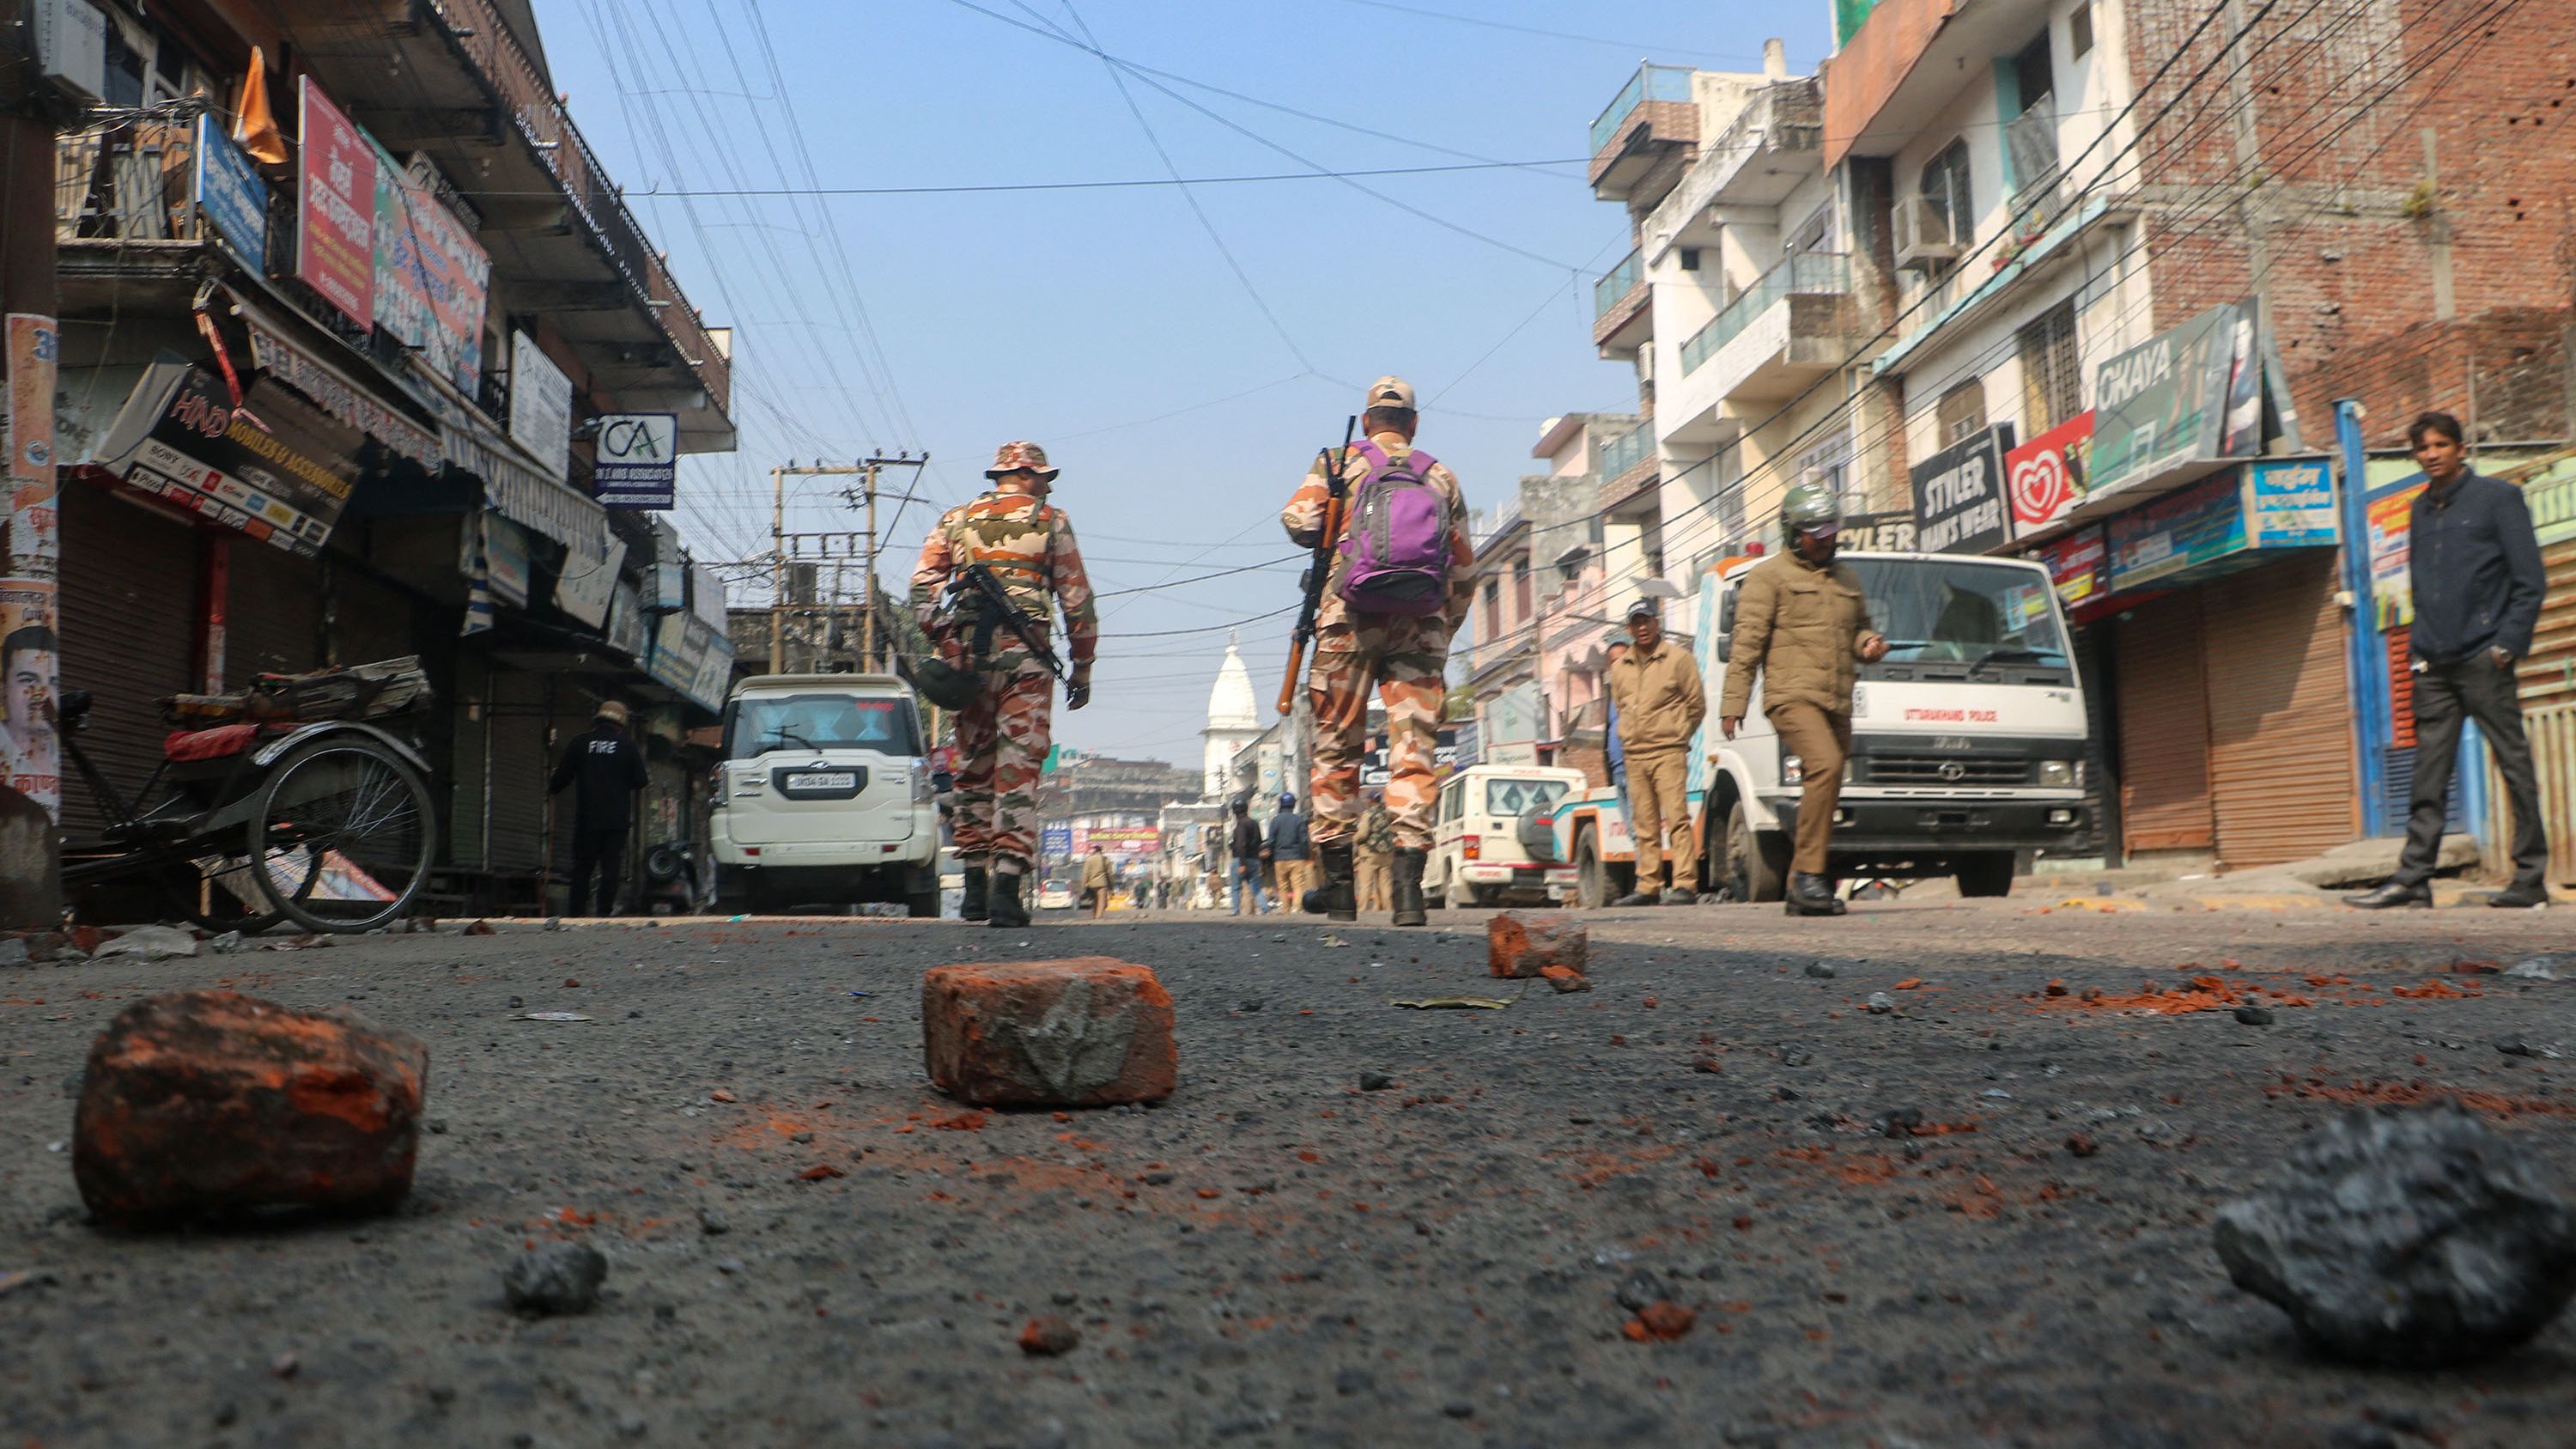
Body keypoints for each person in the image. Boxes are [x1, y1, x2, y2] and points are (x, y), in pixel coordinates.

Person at [1281, 377, 1473, 925]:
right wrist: (1442, 631)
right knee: (1413, 750)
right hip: (1420, 622)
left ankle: (1340, 892)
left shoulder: (1339, 463)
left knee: (1337, 745)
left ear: (1367, 421)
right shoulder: (1440, 473)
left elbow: (1297, 521)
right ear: (1413, 425)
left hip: (1348, 618)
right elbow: (1463, 568)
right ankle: (1409, 894)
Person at [2348, 411, 2554, 910]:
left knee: (2514, 766)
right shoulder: (2420, 509)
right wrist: (2418, 652)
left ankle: (2529, 879)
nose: (2431, 454)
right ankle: (2414, 879)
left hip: (2486, 658)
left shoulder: (2498, 500)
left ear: (2462, 448)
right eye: (2423, 448)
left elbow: (2530, 581)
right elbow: (2422, 586)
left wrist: (2506, 647)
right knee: (2428, 774)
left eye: (2441, 445)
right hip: (2434, 664)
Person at [911, 441, 1097, 928]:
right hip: (1025, 667)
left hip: (968, 663)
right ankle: (1006, 890)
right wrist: (1083, 669)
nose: (1048, 486)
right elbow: (1077, 602)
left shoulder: (955, 519)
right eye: (1044, 477)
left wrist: (945, 636)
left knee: (973, 767)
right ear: (1026, 474)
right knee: (1016, 771)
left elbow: (922, 587)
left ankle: (974, 888)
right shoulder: (1051, 520)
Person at [1719, 483, 1890, 917]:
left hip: (1836, 697)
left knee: (1829, 780)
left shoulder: (1847, 578)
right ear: (1794, 533)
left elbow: (1860, 629)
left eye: (1831, 530)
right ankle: (1812, 876)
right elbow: (1746, 645)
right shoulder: (1768, 577)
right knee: (1826, 765)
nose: (1827, 538)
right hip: (1791, 695)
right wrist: (1733, 705)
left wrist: (1868, 643)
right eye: (1816, 532)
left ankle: (1801, 885)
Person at [1606, 598, 1706, 906]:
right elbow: (1621, 708)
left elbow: (1696, 705)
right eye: (1636, 622)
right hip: (1634, 755)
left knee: (1676, 818)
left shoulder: (1678, 659)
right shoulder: (1619, 668)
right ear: (1629, 628)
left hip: (1668, 751)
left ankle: (1685, 884)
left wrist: (1678, 735)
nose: (1642, 627)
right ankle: (1648, 885)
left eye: (1647, 620)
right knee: (1644, 824)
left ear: (1657, 622)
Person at [549, 698, 648, 916]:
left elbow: (560, 779)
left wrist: (553, 787)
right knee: (610, 869)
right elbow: (641, 780)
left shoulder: (580, 743)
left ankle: (576, 914)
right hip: (616, 820)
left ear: (597, 721)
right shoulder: (627, 746)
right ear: (621, 725)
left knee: (582, 868)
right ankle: (604, 913)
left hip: (587, 819)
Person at [1267, 792, 1313, 908]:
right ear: (1293, 805)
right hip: (1297, 857)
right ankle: (1296, 908)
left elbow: (1271, 841)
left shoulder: (1275, 820)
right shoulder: (1298, 820)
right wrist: (1306, 855)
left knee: (1282, 886)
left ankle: (1285, 909)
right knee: (1298, 885)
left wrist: (1272, 856)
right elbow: (1303, 840)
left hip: (1280, 858)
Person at [1353, 789, 1396, 914]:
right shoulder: (1388, 813)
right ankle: (1388, 909)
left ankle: (1362, 910)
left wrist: (1355, 839)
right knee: (1386, 884)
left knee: (1366, 884)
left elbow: (1363, 834)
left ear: (1370, 800)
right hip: (1387, 854)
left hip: (1369, 854)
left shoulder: (1368, 814)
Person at [1227, 797, 1267, 915]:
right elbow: (1259, 841)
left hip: (1240, 860)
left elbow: (1241, 845)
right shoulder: (1254, 823)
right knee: (1256, 887)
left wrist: (1242, 864)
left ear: (1234, 811)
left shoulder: (1241, 825)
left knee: (1236, 887)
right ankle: (1265, 907)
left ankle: (1236, 910)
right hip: (1254, 859)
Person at [1081, 844, 1114, 919]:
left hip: (1091, 883)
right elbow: (1110, 874)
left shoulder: (1089, 860)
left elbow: (1085, 873)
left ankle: (1095, 915)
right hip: (1103, 883)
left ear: (1094, 851)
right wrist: (1111, 885)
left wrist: (1084, 885)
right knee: (1102, 900)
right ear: (1101, 851)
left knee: (1095, 900)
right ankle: (1098, 916)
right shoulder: (1105, 859)